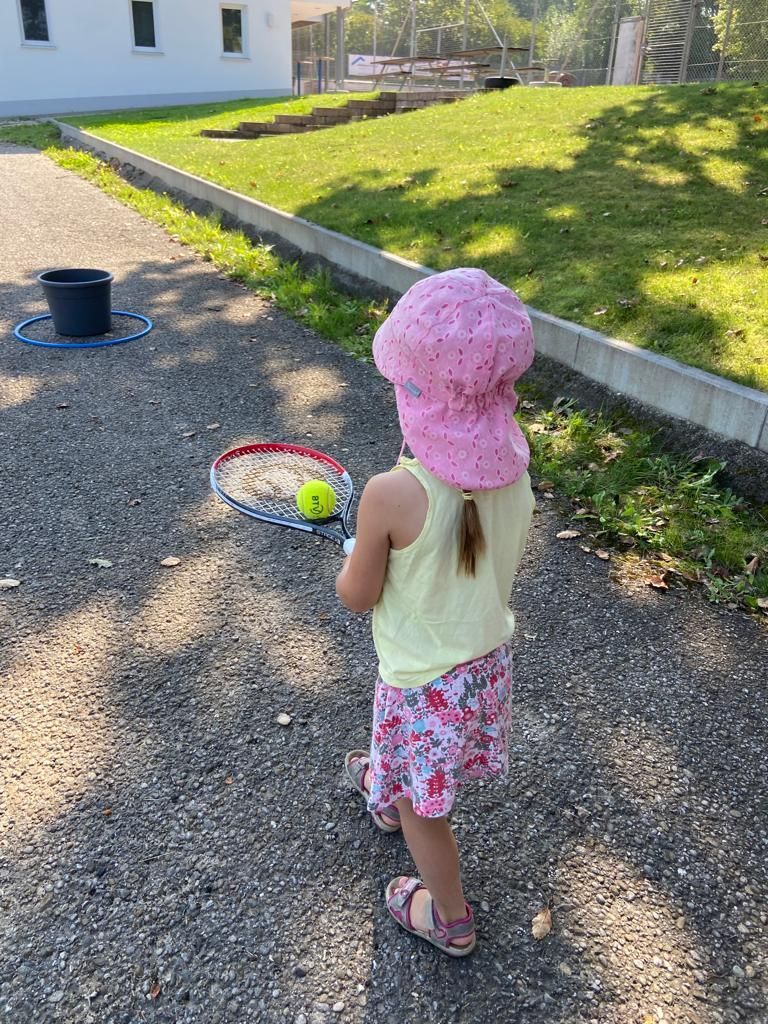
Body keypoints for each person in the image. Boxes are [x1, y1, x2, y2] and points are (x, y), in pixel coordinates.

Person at [336, 268, 535, 957]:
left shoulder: (391, 494)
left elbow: (357, 595)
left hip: (423, 686)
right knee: (413, 775)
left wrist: (353, 557)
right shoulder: (515, 472)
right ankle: (387, 784)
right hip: (484, 668)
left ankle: (450, 918)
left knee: (425, 811)